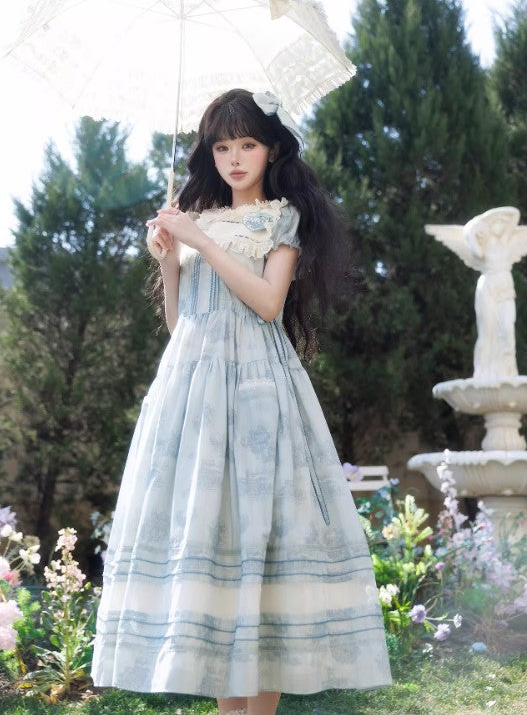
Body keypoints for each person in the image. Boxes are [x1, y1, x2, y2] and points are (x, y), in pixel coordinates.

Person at [91, 89, 393, 715]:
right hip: (193, 395)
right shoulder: (194, 220)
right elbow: (182, 325)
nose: (233, 158)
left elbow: (267, 303)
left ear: (272, 150)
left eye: (247, 144)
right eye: (222, 146)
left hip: (258, 391)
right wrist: (170, 261)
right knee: (216, 542)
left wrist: (200, 241)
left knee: (264, 540)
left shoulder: (281, 219)